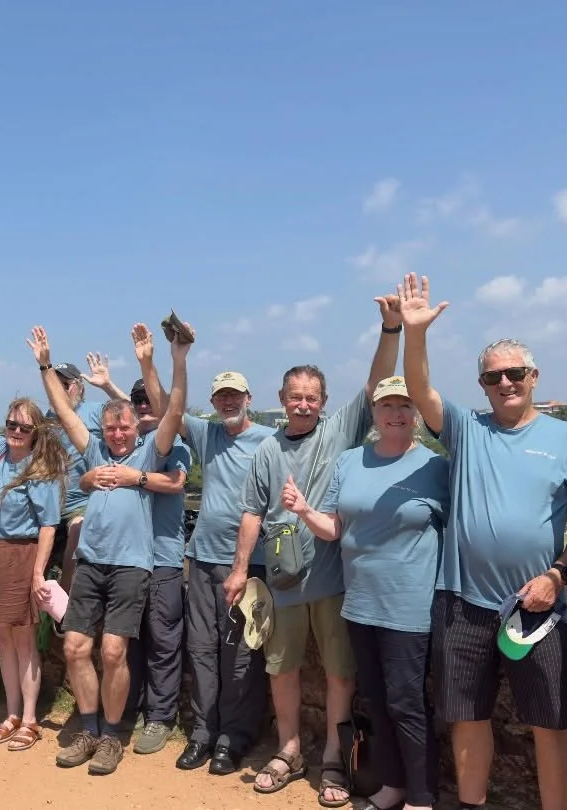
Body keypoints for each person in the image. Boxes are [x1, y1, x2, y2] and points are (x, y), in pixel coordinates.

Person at [398, 272, 567, 810]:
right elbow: (420, 391)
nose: (505, 383)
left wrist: (558, 575)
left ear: (533, 376)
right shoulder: (468, 428)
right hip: (463, 600)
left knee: (552, 723)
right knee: (466, 718)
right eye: (493, 378)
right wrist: (414, 333)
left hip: (538, 606)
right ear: (483, 385)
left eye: (514, 373)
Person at [223, 294, 403, 806]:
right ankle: (288, 749)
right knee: (281, 670)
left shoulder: (339, 433)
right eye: (295, 396)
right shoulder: (266, 450)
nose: (303, 404)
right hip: (281, 584)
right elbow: (253, 513)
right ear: (282, 398)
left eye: (312, 397)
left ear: (324, 402)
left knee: (340, 673)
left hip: (333, 581)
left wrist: (390, 331)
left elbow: (376, 386)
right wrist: (239, 570)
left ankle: (333, 759)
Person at [283, 375, 450, 810]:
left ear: (417, 414)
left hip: (408, 605)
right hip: (360, 602)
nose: (396, 414)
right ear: (374, 412)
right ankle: (392, 785)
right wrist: (303, 509)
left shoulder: (436, 468)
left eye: (405, 406)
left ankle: (422, 796)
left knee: (406, 703)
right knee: (375, 699)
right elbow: (336, 528)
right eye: (387, 406)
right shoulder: (352, 461)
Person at [32, 323, 188, 776]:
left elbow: (173, 411)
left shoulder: (148, 453)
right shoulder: (95, 450)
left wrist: (168, 361)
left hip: (131, 567)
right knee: (77, 646)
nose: (118, 434)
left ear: (135, 430)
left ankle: (113, 735)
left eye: (124, 427)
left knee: (114, 651)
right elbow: (63, 411)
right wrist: (45, 363)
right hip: (91, 562)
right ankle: (88, 727)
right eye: (111, 428)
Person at [134, 327, 274, 776]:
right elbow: (165, 407)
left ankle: (234, 736)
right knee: (202, 651)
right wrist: (162, 360)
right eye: (222, 397)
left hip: (249, 563)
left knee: (240, 657)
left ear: (249, 398)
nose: (229, 402)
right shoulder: (210, 435)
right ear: (214, 402)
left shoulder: (269, 441)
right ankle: (202, 732)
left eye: (235, 396)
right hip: (204, 557)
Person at [0, 347, 69, 753]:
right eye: (10, 424)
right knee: (4, 638)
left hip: (20, 555)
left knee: (25, 641)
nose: (14, 431)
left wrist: (37, 572)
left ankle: (30, 719)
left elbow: (48, 526)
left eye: (23, 428)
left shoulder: (39, 470)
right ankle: (11, 712)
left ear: (36, 433)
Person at [103, 374, 192, 756]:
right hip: (126, 557)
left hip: (162, 555)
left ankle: (159, 716)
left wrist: (133, 478)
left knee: (163, 639)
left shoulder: (175, 443)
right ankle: (130, 707)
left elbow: (175, 482)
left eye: (147, 399)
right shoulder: (127, 444)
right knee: (130, 638)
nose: (142, 405)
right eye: (136, 399)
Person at [49, 355, 128, 592]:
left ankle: (64, 606)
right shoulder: (47, 418)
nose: (60, 391)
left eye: (65, 385)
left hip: (83, 501)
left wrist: (107, 385)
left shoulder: (95, 411)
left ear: (79, 387)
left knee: (77, 532)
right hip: (51, 503)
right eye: (55, 385)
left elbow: (130, 412)